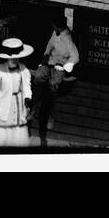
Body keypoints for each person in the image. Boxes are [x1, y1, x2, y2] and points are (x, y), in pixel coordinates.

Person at [30, 18, 79, 146]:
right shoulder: (54, 33)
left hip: (60, 65)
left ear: (58, 27)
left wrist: (65, 66)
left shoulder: (67, 39)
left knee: (53, 85)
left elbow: (75, 57)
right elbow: (49, 46)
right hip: (49, 62)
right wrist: (44, 59)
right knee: (38, 77)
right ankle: (33, 109)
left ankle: (49, 114)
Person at [0, 38, 34, 148]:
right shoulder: (0, 71)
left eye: (17, 58)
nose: (15, 60)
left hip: (19, 104)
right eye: (12, 58)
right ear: (6, 58)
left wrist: (27, 98)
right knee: (3, 129)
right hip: (5, 104)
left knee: (17, 129)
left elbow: (26, 86)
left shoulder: (23, 69)